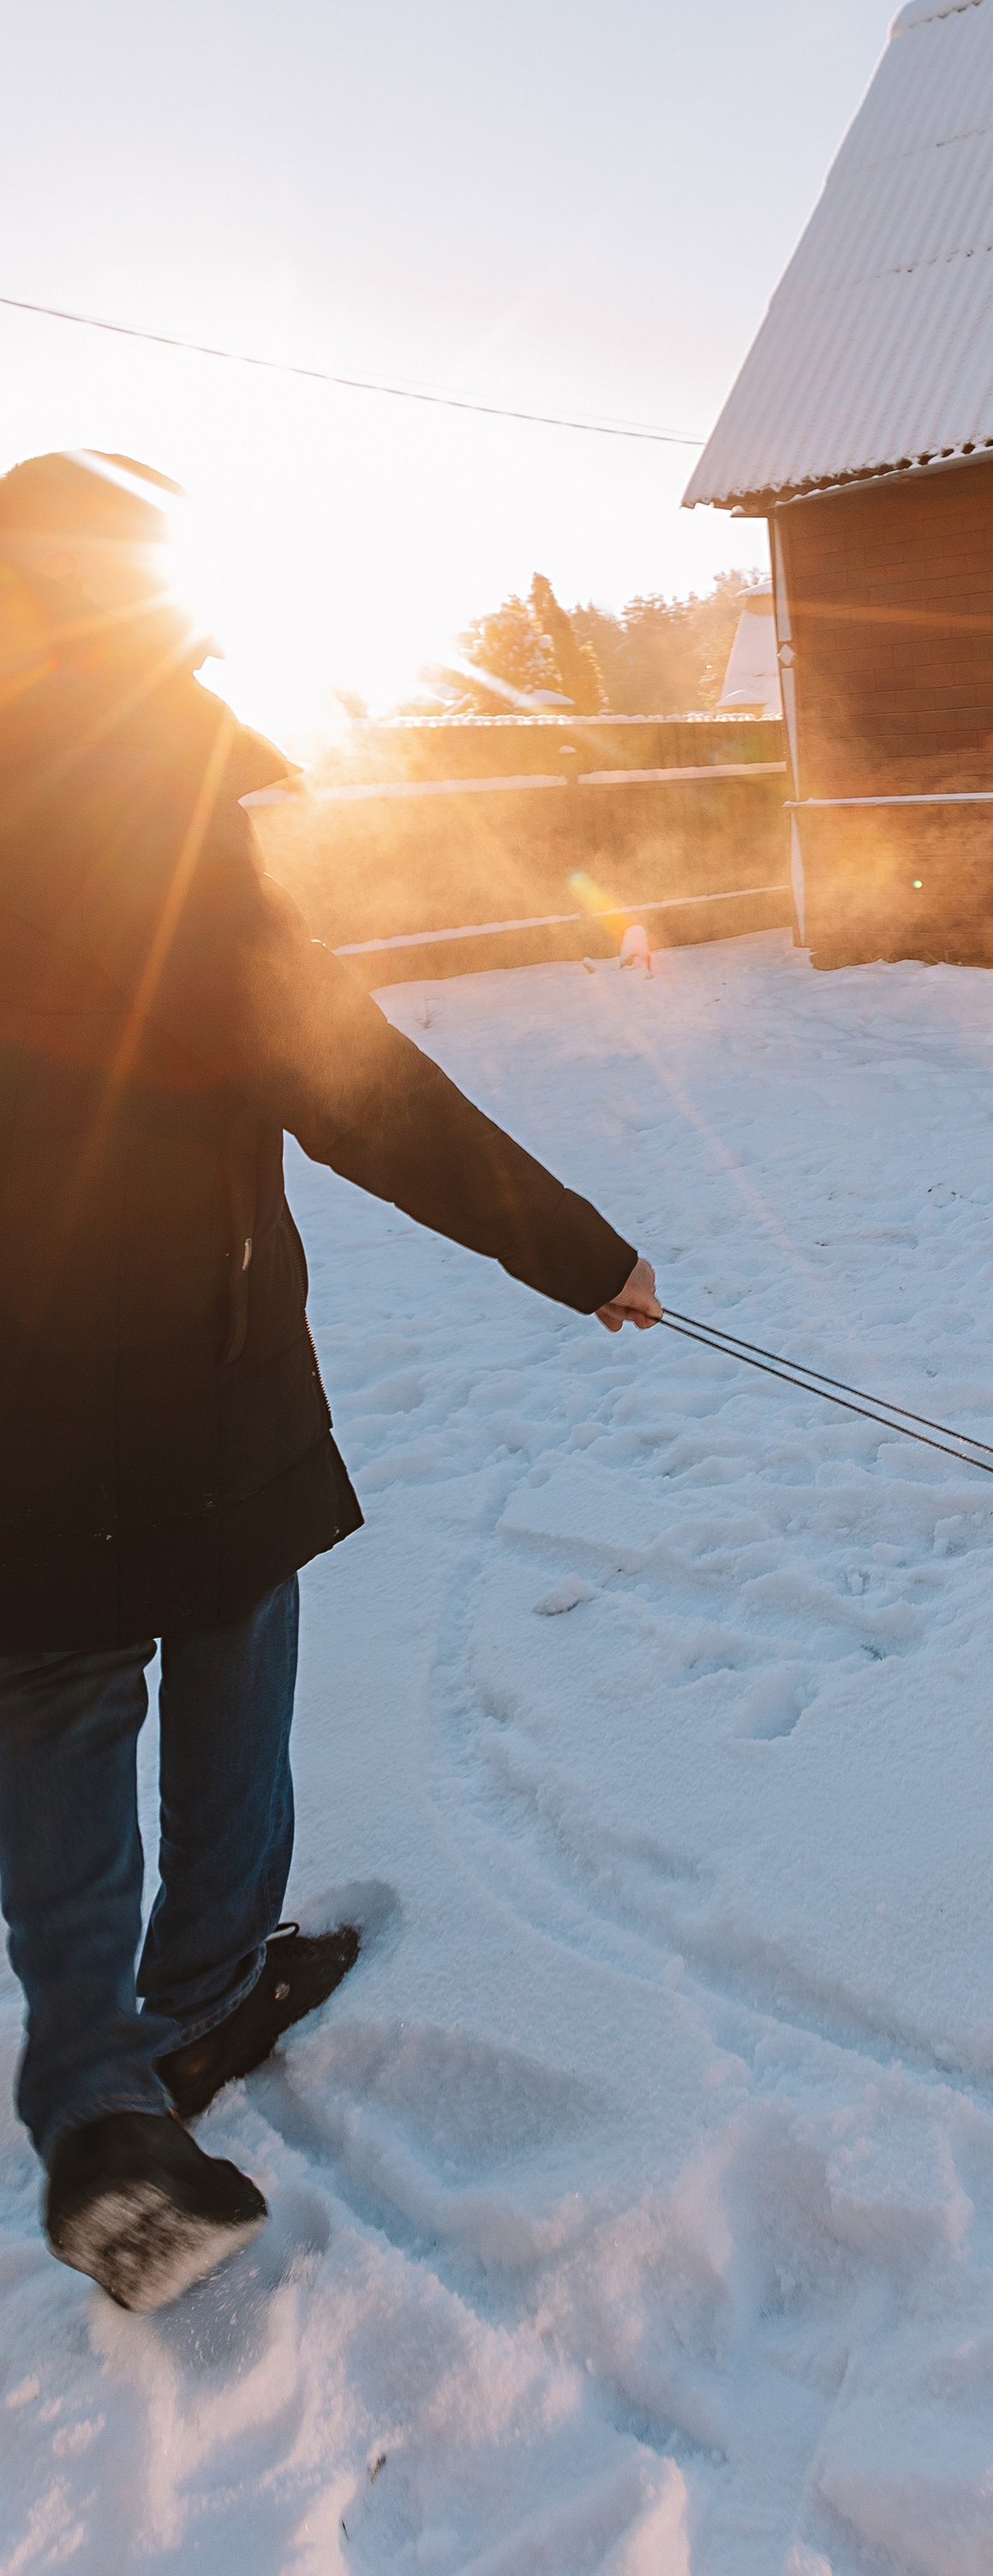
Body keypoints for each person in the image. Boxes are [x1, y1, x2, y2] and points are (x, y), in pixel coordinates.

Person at [0, 450, 663, 2314]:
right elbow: (345, 1077)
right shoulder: (145, 816)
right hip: (177, 1368)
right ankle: (194, 2009)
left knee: (49, 1703)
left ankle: (97, 2101)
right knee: (224, 1647)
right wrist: (577, 1250)